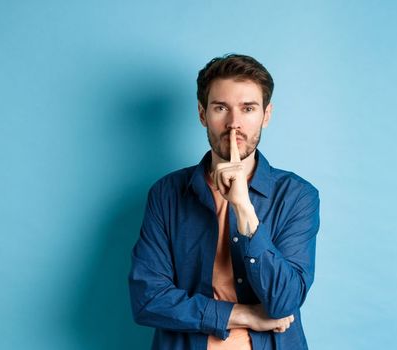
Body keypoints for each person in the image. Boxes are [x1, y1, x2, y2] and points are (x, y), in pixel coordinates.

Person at [128, 53, 321, 349]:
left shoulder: (297, 196)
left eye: (248, 109)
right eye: (221, 108)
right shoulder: (166, 194)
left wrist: (244, 209)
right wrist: (243, 314)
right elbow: (148, 299)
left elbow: (285, 302)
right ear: (203, 114)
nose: (234, 124)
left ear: (266, 116)